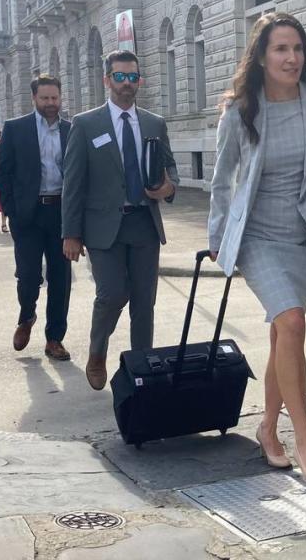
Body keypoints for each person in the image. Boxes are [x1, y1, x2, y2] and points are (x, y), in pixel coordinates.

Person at [209, 12, 306, 484]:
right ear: (262, 56)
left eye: (298, 49)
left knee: (281, 336)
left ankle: (268, 428)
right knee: (292, 322)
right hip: (258, 237)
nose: (292, 58)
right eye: (281, 49)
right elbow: (222, 181)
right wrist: (218, 239)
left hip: (304, 234)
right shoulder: (241, 110)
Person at [62, 50, 179, 391]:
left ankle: (142, 370)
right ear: (107, 80)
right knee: (112, 294)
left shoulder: (154, 123)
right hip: (103, 228)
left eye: (132, 77)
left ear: (139, 80)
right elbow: (74, 183)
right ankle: (97, 352)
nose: (127, 84)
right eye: (120, 77)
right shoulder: (86, 125)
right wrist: (70, 233)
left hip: (143, 222)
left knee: (145, 302)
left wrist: (168, 187)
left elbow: (169, 170)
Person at [0, 75, 73, 362]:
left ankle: (55, 339)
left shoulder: (72, 129)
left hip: (62, 214)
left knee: (61, 278)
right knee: (28, 275)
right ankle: (27, 316)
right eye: (45, 99)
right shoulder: (16, 129)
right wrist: (11, 210)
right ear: (34, 99)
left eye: (55, 98)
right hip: (28, 214)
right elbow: (2, 172)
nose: (51, 104)